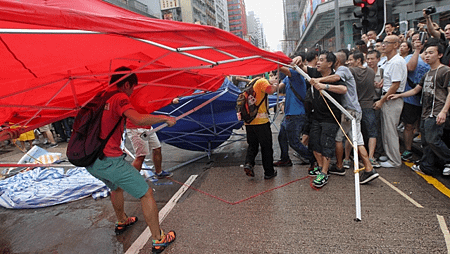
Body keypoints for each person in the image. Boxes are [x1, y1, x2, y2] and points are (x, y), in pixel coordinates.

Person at [85, 66, 176, 253]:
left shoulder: (98, 97)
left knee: (116, 187)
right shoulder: (119, 97)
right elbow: (139, 119)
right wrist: (165, 118)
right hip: (110, 160)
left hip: (91, 161)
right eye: (132, 87)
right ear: (126, 84)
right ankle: (158, 239)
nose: (132, 92)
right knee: (146, 193)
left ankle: (121, 221)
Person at [310, 52, 379, 184]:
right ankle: (367, 168)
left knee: (339, 139)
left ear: (334, 62)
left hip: (349, 111)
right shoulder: (346, 70)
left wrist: (320, 81)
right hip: (354, 110)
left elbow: (336, 80)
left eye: (351, 60)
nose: (350, 62)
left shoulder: (342, 70)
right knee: (357, 140)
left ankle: (343, 166)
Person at [389, 39, 450, 176]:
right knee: (426, 142)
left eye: (431, 53)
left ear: (440, 55)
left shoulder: (445, 71)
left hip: (437, 111)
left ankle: (447, 159)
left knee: (432, 140)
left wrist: (444, 111)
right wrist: (399, 95)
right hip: (425, 112)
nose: (427, 56)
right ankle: (426, 165)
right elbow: (416, 90)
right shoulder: (427, 74)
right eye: (426, 53)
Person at [294, 51, 348, 188]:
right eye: (318, 60)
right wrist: (299, 59)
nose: (318, 62)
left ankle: (324, 172)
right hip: (315, 117)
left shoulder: (335, 77)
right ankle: (320, 166)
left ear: (330, 63)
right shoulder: (315, 73)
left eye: (322, 60)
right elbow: (301, 67)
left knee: (326, 145)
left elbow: (343, 89)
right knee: (314, 144)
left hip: (330, 118)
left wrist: (324, 86)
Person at [373, 35, 407, 168]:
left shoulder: (396, 62)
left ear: (396, 45)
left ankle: (394, 160)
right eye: (383, 42)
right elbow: (389, 81)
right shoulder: (388, 61)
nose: (383, 45)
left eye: (387, 43)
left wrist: (381, 100)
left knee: (390, 130)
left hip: (392, 99)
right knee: (386, 129)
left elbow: (395, 85)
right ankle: (389, 155)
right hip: (388, 96)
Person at [273, 61, 314, 167]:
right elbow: (277, 87)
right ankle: (285, 159)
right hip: (289, 115)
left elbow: (280, 68)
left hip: (296, 115)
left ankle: (314, 159)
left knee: (294, 142)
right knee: (282, 137)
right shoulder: (288, 78)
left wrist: (271, 62)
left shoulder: (296, 74)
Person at [400, 32, 430, 161]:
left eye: (419, 40)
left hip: (426, 100)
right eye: (414, 40)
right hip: (411, 98)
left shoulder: (433, 60)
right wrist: (417, 51)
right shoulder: (411, 57)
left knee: (423, 127)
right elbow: (410, 68)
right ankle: (408, 150)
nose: (417, 42)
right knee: (409, 125)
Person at [243, 73, 278, 180]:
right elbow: (271, 91)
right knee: (266, 147)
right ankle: (269, 172)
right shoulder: (262, 81)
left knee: (252, 145)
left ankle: (249, 163)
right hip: (261, 122)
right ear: (264, 74)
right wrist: (275, 84)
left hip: (249, 122)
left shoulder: (250, 83)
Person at [366, 50, 385, 162]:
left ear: (378, 59)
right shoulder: (364, 72)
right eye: (368, 59)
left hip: (378, 102)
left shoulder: (383, 72)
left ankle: (377, 152)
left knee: (377, 127)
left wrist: (378, 87)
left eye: (372, 58)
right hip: (366, 102)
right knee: (367, 128)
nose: (370, 61)